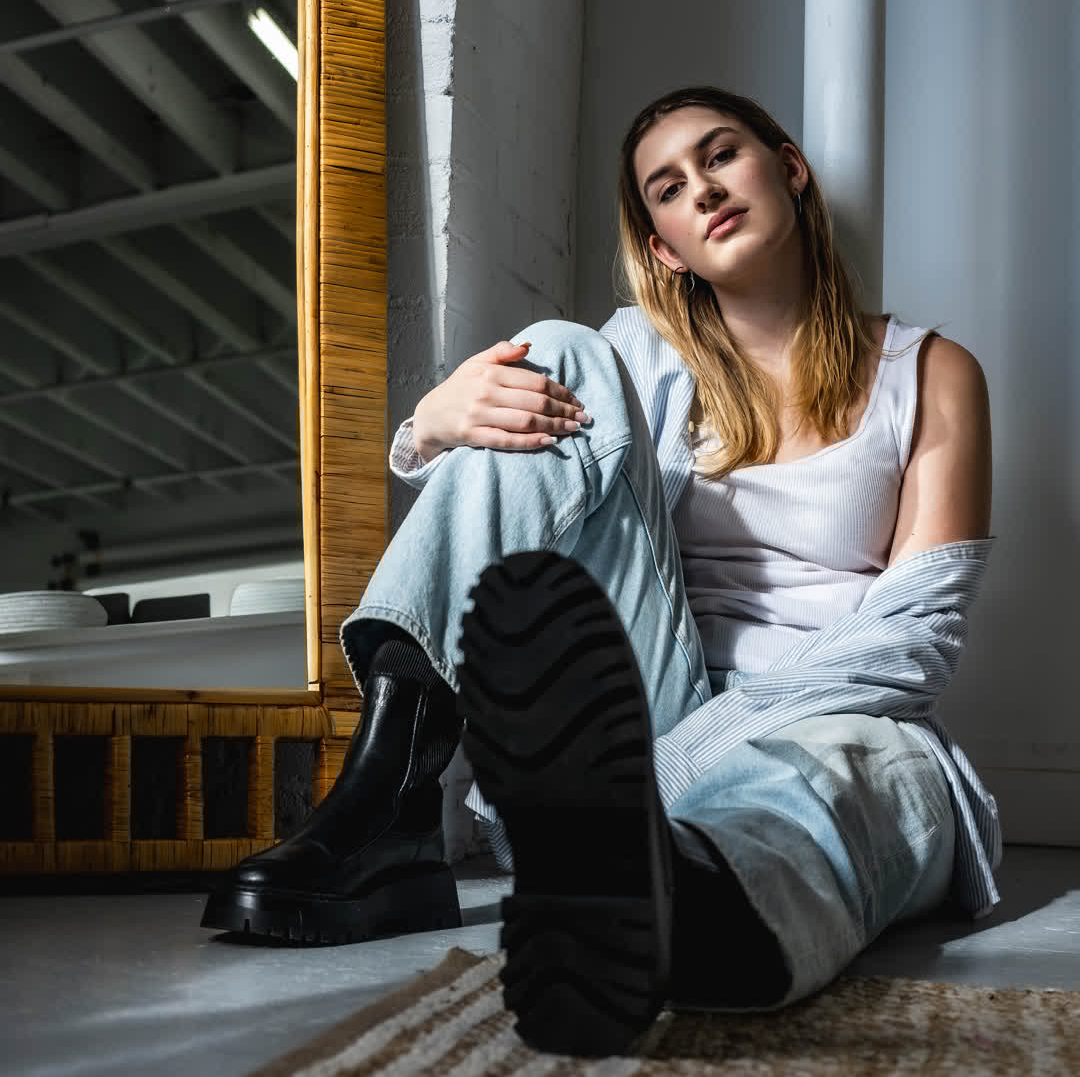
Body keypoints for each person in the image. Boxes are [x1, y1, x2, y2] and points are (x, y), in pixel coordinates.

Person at [202, 86, 998, 1058]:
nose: (702, 190)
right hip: (639, 705)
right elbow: (506, 453)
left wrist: (662, 774)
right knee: (554, 355)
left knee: (863, 775)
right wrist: (429, 426)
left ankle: (689, 898)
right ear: (665, 246)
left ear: (789, 168)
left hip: (822, 712)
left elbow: (913, 642)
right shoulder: (642, 358)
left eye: (721, 157)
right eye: (669, 188)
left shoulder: (930, 373)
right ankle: (394, 792)